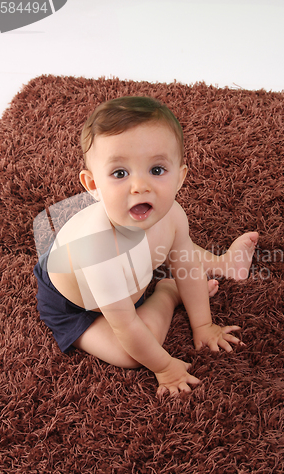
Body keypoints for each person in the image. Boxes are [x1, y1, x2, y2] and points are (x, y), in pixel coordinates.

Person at [34, 96, 258, 396]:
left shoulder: (173, 214)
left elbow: (186, 263)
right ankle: (167, 292)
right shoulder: (97, 250)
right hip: (76, 305)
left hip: (128, 277)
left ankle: (223, 263)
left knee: (180, 249)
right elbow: (126, 326)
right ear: (93, 186)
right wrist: (165, 367)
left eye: (156, 170)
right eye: (120, 173)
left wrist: (203, 325)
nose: (140, 186)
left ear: (180, 177)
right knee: (131, 353)